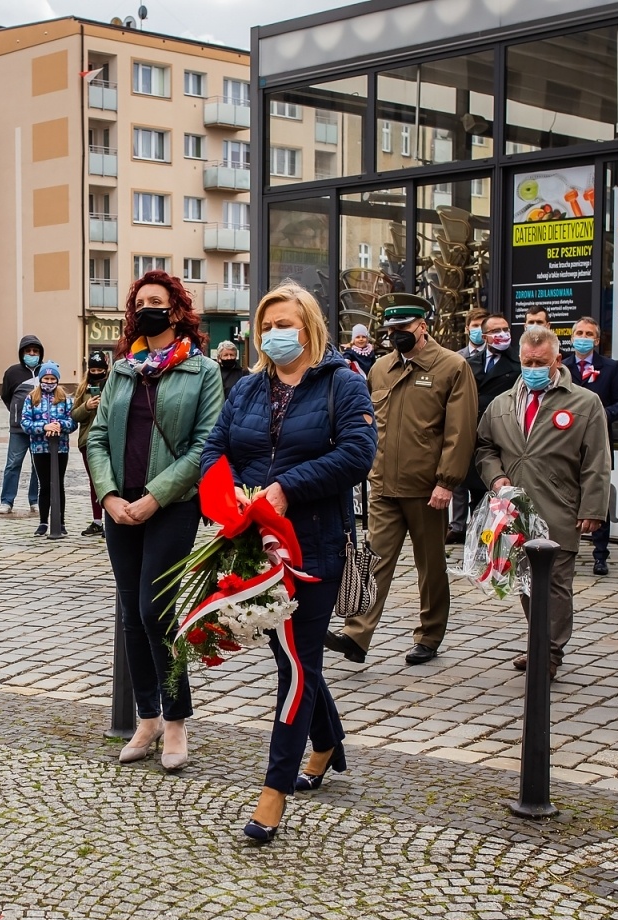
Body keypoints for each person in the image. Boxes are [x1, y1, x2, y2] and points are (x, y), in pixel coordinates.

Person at [201, 282, 377, 844]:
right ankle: (324, 742)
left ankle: (274, 790)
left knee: (297, 664)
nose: (277, 333)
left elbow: (357, 453)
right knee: (291, 655)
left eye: (287, 323)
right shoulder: (248, 389)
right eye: (268, 324)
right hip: (256, 546)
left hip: (316, 547)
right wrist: (227, 499)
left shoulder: (343, 384)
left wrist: (285, 488)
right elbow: (215, 449)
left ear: (310, 327)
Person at [86, 269, 223, 772]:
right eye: (141, 301)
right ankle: (146, 716)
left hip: (173, 507)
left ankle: (177, 720)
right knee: (129, 611)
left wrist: (156, 496)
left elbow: (206, 443)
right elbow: (97, 437)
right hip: (120, 508)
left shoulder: (202, 371)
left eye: (157, 301)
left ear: (176, 309)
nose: (148, 307)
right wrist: (109, 495)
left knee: (155, 611)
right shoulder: (124, 368)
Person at [326, 293, 477, 666]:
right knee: (374, 559)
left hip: (428, 488)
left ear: (422, 326)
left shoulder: (451, 366)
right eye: (391, 330)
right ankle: (357, 635)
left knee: (430, 567)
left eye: (403, 328)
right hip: (383, 484)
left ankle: (429, 634)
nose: (396, 335)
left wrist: (447, 481)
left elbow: (460, 432)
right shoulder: (381, 368)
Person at [474, 324, 611, 677]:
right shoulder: (503, 403)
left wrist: (593, 509)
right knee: (525, 583)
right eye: (527, 361)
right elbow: (485, 448)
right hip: (515, 513)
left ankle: (549, 654)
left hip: (560, 508)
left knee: (555, 585)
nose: (533, 368)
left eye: (541, 362)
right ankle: (539, 643)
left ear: (557, 360)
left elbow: (597, 459)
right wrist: (496, 476)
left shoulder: (584, 402)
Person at [566, 317, 618, 575]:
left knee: (598, 497)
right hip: (567, 443)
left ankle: (600, 554)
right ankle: (563, 549)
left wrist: (601, 414)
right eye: (579, 332)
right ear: (571, 338)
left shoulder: (611, 368)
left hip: (599, 442)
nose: (583, 337)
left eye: (588, 333)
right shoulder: (563, 366)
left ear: (597, 339)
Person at [450, 313, 521, 543]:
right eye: (496, 331)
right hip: (473, 435)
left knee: (495, 491)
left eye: (506, 329)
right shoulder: (470, 363)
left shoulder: (518, 364)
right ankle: (474, 538)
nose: (503, 334)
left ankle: (493, 540)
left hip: (501, 436)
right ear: (485, 336)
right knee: (473, 489)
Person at [20, 361, 74, 536]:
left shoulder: (65, 398)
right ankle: (43, 522)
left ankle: (61, 521)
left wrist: (59, 425)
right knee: (44, 485)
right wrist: (44, 426)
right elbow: (25, 423)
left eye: (52, 379)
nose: (49, 382)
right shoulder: (32, 398)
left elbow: (72, 422)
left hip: (60, 448)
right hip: (39, 448)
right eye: (46, 378)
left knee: (58, 484)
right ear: (41, 379)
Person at [0, 337, 43, 514]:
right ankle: (7, 501)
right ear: (22, 353)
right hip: (18, 429)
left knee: (37, 465)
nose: (32, 354)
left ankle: (35, 500)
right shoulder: (12, 372)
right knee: (13, 464)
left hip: (40, 429)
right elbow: (5, 396)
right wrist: (16, 413)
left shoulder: (46, 370)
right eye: (28, 351)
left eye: (35, 351)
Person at [71, 351, 110, 536]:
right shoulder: (82, 389)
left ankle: (111, 521)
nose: (96, 373)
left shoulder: (112, 385)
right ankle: (97, 521)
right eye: (93, 369)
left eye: (99, 369)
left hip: (109, 440)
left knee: (110, 481)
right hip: (87, 441)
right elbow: (74, 416)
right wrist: (87, 407)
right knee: (95, 482)